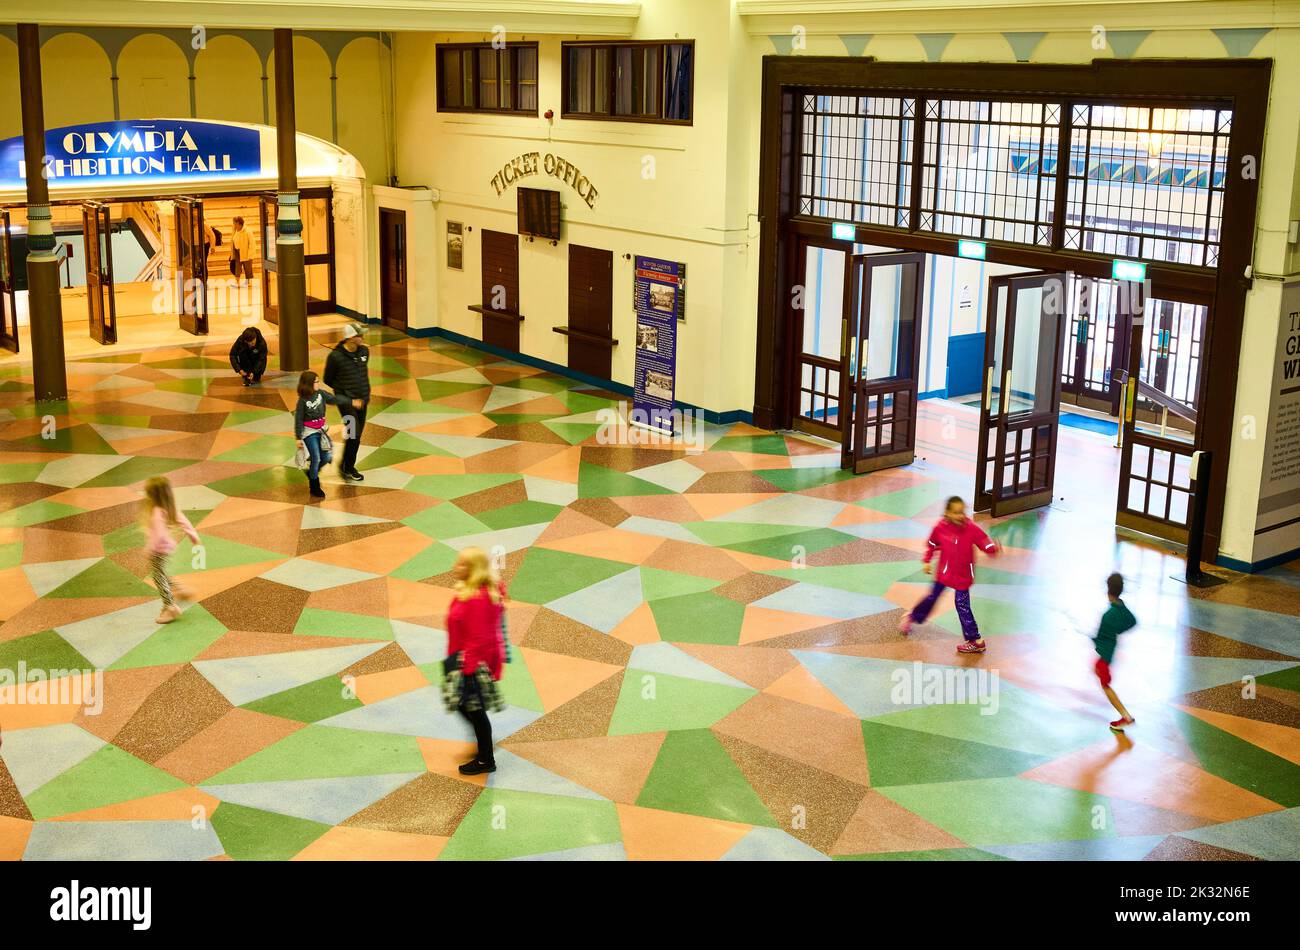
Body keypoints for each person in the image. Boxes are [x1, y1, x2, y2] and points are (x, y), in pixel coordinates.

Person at [899, 495, 999, 654]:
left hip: (963, 576)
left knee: (962, 606)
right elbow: (932, 543)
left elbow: (983, 540)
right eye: (956, 512)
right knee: (932, 597)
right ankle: (913, 616)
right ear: (947, 513)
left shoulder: (970, 527)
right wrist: (927, 560)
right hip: (944, 574)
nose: (960, 516)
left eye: (962, 512)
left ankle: (975, 640)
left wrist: (992, 548)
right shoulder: (940, 527)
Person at [443, 547, 507, 776]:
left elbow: (480, 638)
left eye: (461, 564)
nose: (455, 567)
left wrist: (466, 669)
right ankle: (483, 744)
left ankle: (485, 759)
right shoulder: (470, 591)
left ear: (473, 570)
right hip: (460, 657)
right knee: (463, 704)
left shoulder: (478, 599)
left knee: (475, 709)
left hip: (471, 663)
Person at [294, 371, 362, 499]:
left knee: (326, 456)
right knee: (316, 458)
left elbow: (335, 399)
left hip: (321, 431)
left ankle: (311, 472)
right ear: (309, 384)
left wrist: (350, 402)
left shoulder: (321, 394)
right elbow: (298, 418)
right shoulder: (303, 401)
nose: (318, 383)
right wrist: (298, 437)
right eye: (316, 381)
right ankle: (314, 485)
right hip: (309, 432)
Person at [143, 476, 200, 624]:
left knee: (157, 576)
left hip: (158, 549)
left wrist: (151, 548)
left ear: (153, 496)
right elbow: (184, 522)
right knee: (161, 572)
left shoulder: (156, 512)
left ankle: (169, 606)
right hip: (166, 548)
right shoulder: (170, 507)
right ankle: (180, 590)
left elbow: (160, 534)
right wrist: (194, 536)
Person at [323, 324, 370, 482]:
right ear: (350, 338)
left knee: (356, 435)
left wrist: (362, 397)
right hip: (346, 403)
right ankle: (348, 467)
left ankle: (345, 464)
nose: (362, 338)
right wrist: (347, 398)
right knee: (353, 432)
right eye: (359, 336)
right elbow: (328, 379)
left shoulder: (364, 351)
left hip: (363, 401)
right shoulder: (335, 357)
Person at [1094, 572, 1138, 733]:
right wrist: (1119, 630)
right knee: (1099, 674)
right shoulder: (1121, 606)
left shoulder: (1108, 616)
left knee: (1105, 685)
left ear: (1108, 590)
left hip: (1105, 655)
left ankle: (1126, 716)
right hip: (1109, 653)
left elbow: (1100, 639)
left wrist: (1094, 639)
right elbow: (1132, 621)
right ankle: (1125, 716)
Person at [230, 216, 253, 286]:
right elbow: (233, 241)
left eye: (234, 223)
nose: (233, 225)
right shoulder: (235, 230)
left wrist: (250, 254)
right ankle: (237, 282)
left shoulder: (247, 231)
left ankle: (248, 281)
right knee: (237, 267)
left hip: (245, 251)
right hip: (237, 251)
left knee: (247, 267)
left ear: (239, 223)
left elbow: (252, 243)